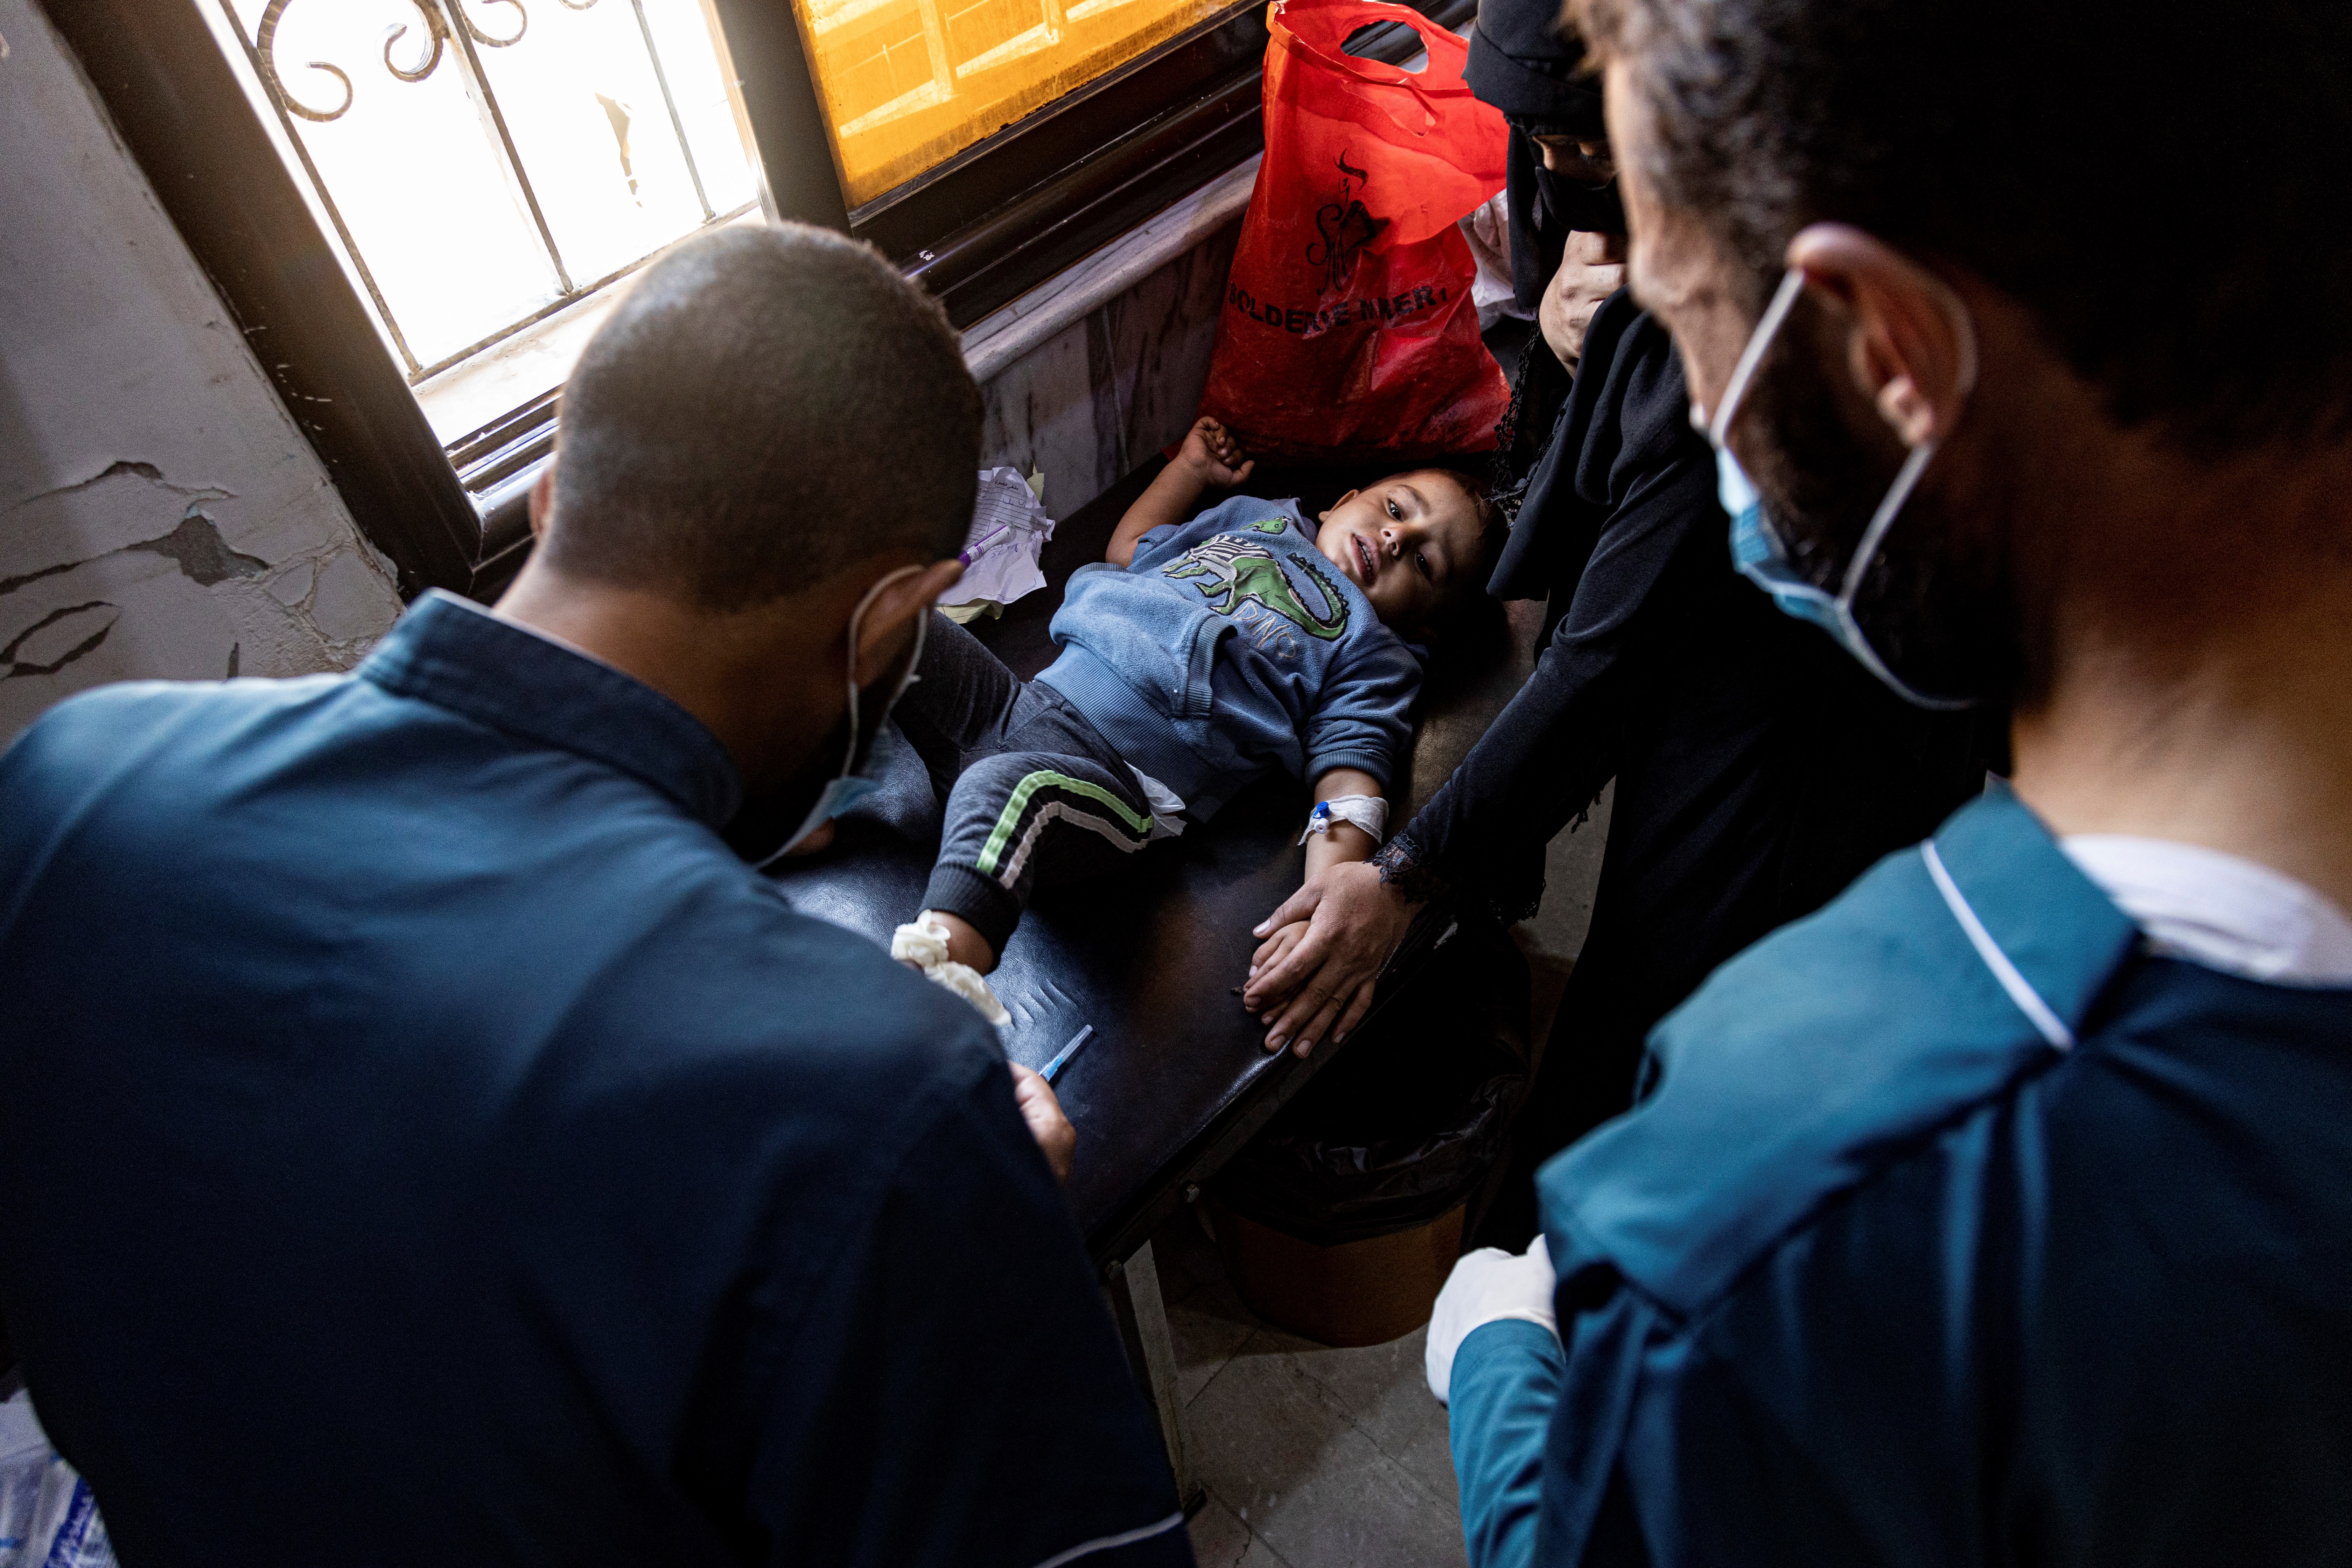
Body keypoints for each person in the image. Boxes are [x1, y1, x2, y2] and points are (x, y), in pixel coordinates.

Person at [0, 225, 1194, 1568]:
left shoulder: (69, 792)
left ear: (554, 495)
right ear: (889, 624)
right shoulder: (880, 1111)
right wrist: (952, 1224)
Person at [1423, 0, 2352, 1560]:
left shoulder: (1794, 1172)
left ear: (1887, 349)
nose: (1696, 406)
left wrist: (1503, 1368)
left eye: (1684, 309)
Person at [1242, 0, 1987, 1244]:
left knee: (1679, 1055)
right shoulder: (1615, 232)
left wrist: (1407, 880)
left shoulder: (1750, 289)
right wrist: (1566, 346)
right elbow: (1580, 511)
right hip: (1725, 652)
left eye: (1590, 151)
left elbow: (1604, 658)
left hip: (1810, 730)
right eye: (1535, 145)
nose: (1562, 186)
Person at [887, 415, 1502, 1018]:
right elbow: (1132, 550)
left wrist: (1326, 899)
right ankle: (802, 792)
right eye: (1398, 508)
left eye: (1425, 564)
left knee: (1002, 787)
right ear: (1344, 501)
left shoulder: (1377, 651)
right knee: (884, 609)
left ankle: (943, 959)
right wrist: (1190, 472)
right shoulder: (1254, 518)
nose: (1399, 538)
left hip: (1109, 783)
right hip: (1016, 703)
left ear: (1424, 628)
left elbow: (1349, 774)